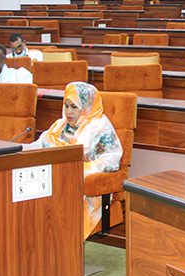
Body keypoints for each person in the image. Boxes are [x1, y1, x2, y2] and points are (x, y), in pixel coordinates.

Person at [30, 82, 124, 238]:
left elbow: (111, 161)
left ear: (87, 107)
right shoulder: (60, 126)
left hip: (84, 186)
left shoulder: (100, 127)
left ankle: (58, 241)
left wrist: (77, 169)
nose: (68, 112)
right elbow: (38, 146)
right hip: (53, 178)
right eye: (66, 106)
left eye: (74, 107)